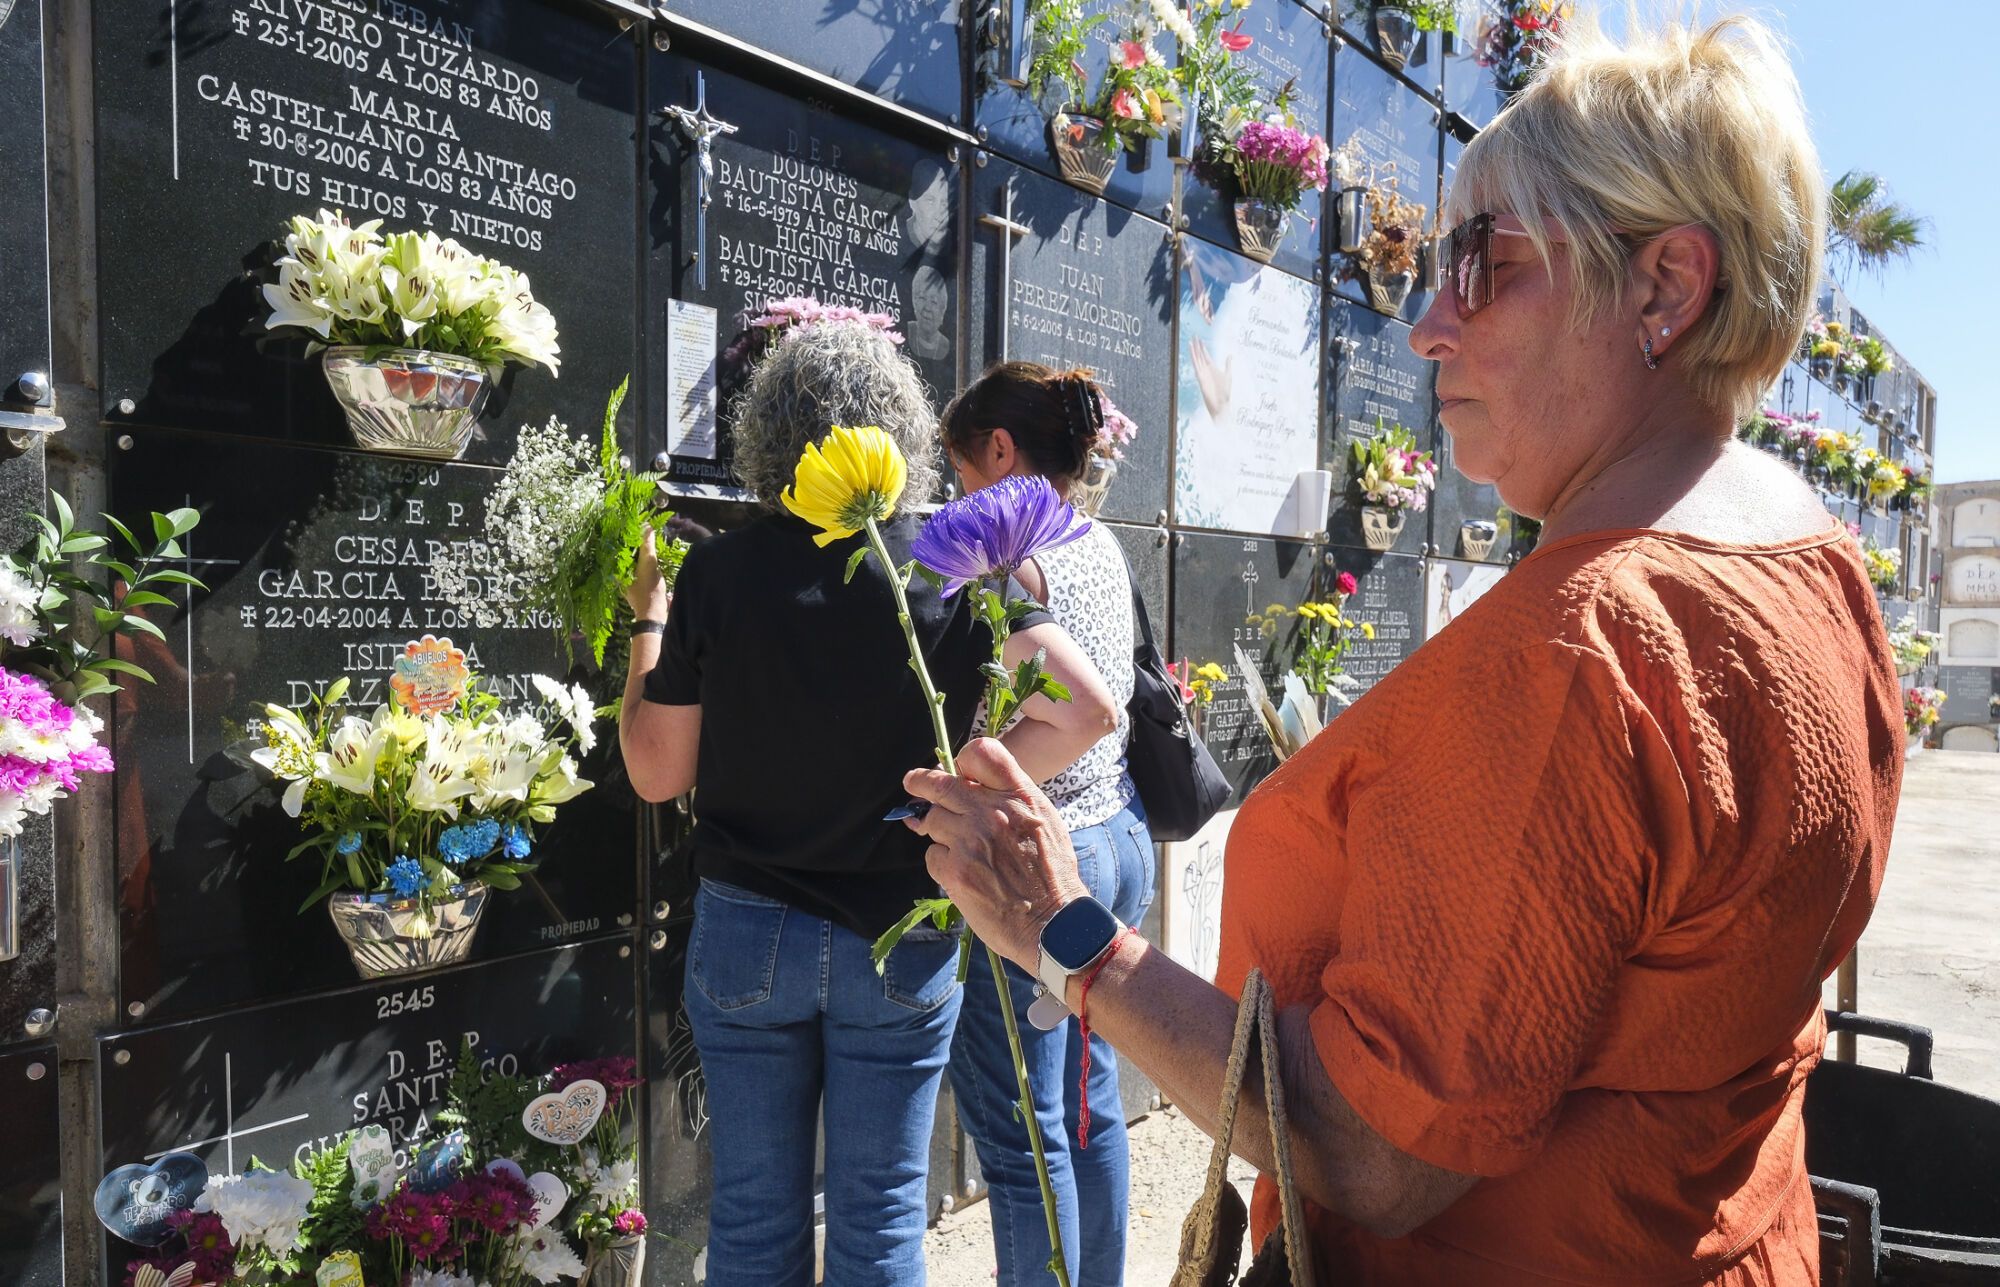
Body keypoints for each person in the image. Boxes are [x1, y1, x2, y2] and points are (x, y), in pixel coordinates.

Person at [897, 15, 1898, 1284]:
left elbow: (1374, 1149)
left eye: (1481, 264)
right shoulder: (1816, 564)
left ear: (1662, 286)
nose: (1428, 325)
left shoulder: (1584, 649)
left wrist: (1062, 928)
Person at [618, 320, 1118, 1287]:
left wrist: (650, 623)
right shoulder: (949, 564)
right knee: (883, 1217)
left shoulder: (719, 570)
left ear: (767, 436)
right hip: (902, 933)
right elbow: (1088, 711)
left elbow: (655, 772)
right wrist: (958, 791)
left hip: (747, 933)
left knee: (752, 1218)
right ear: (903, 431)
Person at [938, 363, 1156, 1287]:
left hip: (1047, 863)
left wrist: (973, 781)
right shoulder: (1098, 539)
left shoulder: (1012, 561)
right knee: (1087, 1107)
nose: (958, 497)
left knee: (1022, 1129)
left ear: (1000, 450)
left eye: (960, 473)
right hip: (1118, 839)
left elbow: (1086, 710)